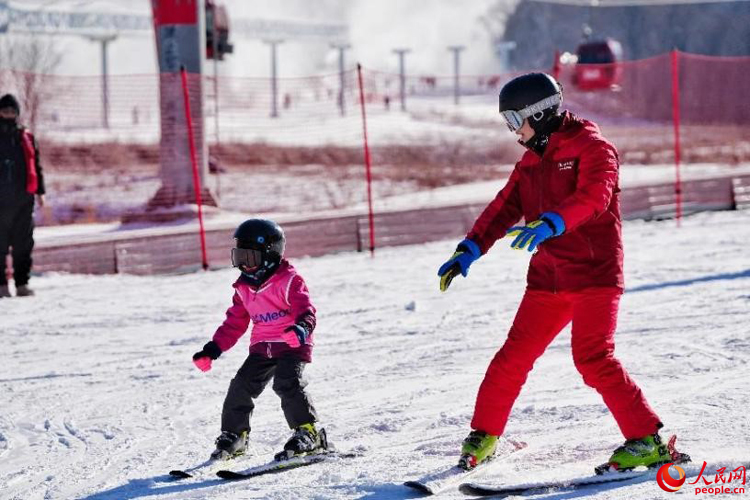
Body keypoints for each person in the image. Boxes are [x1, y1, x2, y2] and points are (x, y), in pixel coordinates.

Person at [437, 73, 683, 472]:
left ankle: (646, 440)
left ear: (541, 112)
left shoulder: (594, 148)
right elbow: (503, 208)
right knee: (511, 358)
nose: (513, 130)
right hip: (548, 278)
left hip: (594, 274)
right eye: (508, 122)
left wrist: (553, 222)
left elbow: (596, 197)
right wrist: (469, 248)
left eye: (516, 120)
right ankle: (485, 433)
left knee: (592, 358)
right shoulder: (532, 160)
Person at [193, 219, 326, 461]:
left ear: (270, 255)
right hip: (263, 346)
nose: (244, 264)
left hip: (292, 343)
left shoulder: (289, 280)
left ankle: (308, 433)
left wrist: (301, 329)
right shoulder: (243, 288)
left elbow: (306, 311)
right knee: (241, 386)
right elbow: (234, 323)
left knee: (287, 383)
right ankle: (236, 436)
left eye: (250, 257)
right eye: (239, 257)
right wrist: (213, 349)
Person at [0, 94, 45, 298]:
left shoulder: (25, 136)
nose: (8, 115)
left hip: (23, 200)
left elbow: (36, 165)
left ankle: (22, 284)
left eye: (12, 111)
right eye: (5, 111)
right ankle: (1, 285)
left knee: (23, 244)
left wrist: (40, 192)